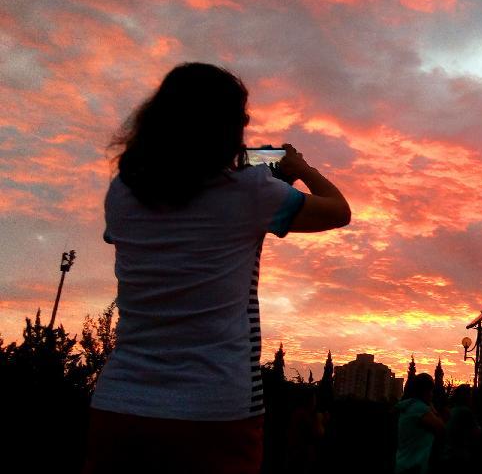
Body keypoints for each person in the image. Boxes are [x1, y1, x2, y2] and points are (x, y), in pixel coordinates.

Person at [81, 63, 351, 474]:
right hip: (215, 413)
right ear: (225, 129)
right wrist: (297, 168)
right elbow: (338, 211)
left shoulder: (122, 191)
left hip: (119, 406)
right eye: (240, 120)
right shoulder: (251, 192)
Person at [395, 373, 444, 474]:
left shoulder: (408, 405)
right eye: (431, 391)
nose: (432, 394)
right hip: (414, 468)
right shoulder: (419, 408)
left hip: (403, 465)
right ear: (425, 391)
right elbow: (441, 428)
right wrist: (432, 407)